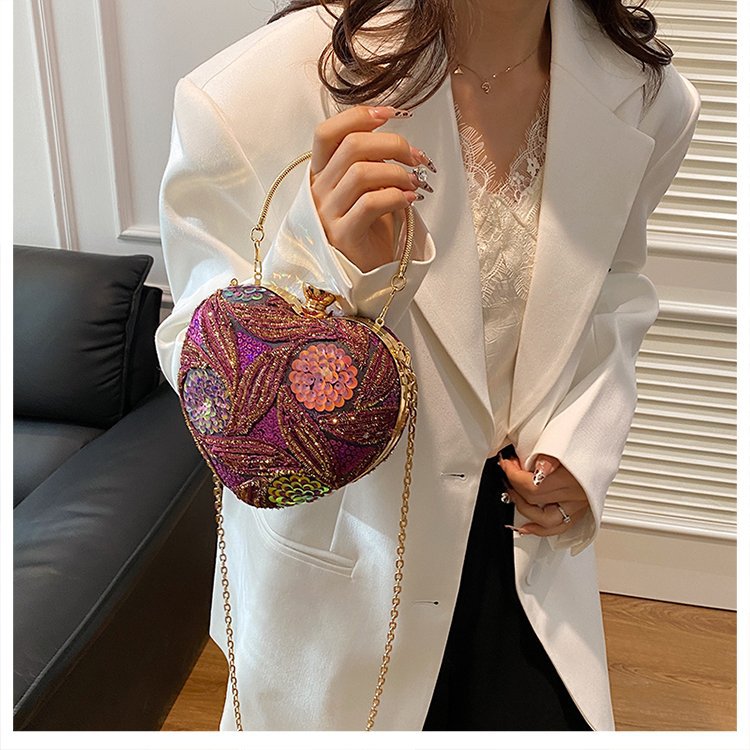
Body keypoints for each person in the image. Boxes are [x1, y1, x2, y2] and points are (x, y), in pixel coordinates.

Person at [155, 0, 700, 732]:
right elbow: (204, 364)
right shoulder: (254, 94)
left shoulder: (648, 96)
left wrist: (584, 442)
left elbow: (613, 288)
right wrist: (325, 261)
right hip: (349, 569)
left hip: (525, 552)